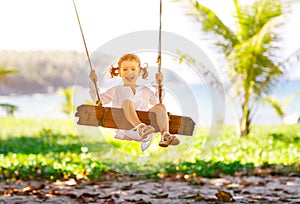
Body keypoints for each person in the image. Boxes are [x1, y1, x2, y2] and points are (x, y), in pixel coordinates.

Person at [89, 53, 180, 151]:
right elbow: (100, 100)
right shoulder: (116, 89)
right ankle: (140, 128)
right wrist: (94, 84)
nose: (129, 72)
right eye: (125, 69)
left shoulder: (144, 90)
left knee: (160, 106)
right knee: (127, 103)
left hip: (147, 127)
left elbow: (156, 100)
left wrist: (159, 85)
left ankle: (165, 135)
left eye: (133, 69)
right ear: (119, 72)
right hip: (126, 126)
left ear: (139, 71)